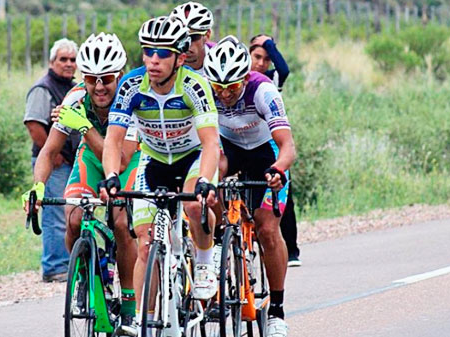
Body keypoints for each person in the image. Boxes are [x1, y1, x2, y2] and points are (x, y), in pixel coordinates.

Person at [98, 16, 220, 330]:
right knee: (146, 243)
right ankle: (143, 318)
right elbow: (113, 140)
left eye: (163, 53)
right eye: (148, 51)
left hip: (191, 158)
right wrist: (112, 175)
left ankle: (205, 261)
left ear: (180, 57)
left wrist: (205, 182)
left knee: (194, 204)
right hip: (153, 162)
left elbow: (210, 143)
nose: (154, 59)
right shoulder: (130, 85)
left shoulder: (194, 85)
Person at [23, 33, 141, 336]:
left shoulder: (133, 100)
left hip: (128, 159)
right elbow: (48, 151)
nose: (99, 87)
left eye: (107, 79)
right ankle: (82, 277)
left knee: (120, 219)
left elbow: (121, 160)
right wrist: (37, 188)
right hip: (90, 158)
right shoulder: (75, 97)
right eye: (91, 79)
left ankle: (128, 306)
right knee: (74, 215)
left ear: (120, 74)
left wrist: (84, 127)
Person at [204, 35, 296, 337]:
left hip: (264, 151)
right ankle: (219, 242)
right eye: (218, 88)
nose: (225, 95)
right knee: (209, 179)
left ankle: (277, 312)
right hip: (228, 148)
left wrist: (278, 169)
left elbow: (287, 147)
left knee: (268, 229)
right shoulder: (207, 89)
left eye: (231, 87)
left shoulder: (263, 91)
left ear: (244, 78)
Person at [23, 38, 78, 283]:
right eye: (63, 59)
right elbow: (34, 124)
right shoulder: (43, 88)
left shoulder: (74, 88)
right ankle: (55, 266)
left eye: (72, 60)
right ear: (51, 62)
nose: (68, 64)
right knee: (54, 213)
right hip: (54, 163)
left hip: (69, 161)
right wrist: (52, 154)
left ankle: (68, 262)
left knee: (70, 212)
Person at [250, 34, 301, 267]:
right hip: (242, 146)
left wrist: (269, 43)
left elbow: (284, 68)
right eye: (257, 57)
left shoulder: (271, 79)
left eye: (266, 59)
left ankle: (291, 250)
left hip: (271, 143)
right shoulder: (232, 80)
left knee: (283, 200)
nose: (261, 63)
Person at [169, 1, 215, 76]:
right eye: (180, 38)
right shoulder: (166, 60)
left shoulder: (220, 59)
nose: (186, 44)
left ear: (207, 35)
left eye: (193, 37)